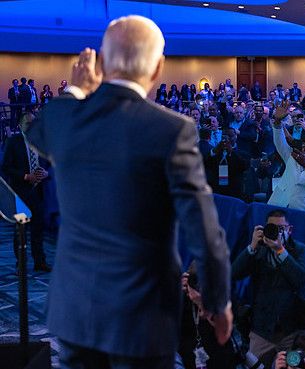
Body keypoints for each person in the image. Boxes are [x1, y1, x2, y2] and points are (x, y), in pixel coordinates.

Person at [24, 15, 232, 369]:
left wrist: (77, 90)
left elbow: (39, 130)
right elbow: (204, 230)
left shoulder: (66, 118)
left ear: (101, 64)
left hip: (77, 312)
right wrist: (217, 301)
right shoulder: (172, 129)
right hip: (143, 315)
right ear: (158, 68)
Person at [232, 210, 305, 364]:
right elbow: (234, 273)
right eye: (272, 227)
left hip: (290, 330)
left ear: (290, 230)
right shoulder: (259, 249)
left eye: (281, 228)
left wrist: (280, 250)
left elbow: (301, 280)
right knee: (252, 365)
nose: (277, 232)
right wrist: (252, 247)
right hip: (261, 328)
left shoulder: (300, 249)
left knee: (291, 366)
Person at [1, 113, 51, 273]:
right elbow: (5, 167)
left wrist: (46, 173)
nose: (31, 126)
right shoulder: (13, 142)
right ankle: (20, 263)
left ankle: (40, 262)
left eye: (33, 122)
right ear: (20, 125)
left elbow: (48, 163)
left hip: (38, 192)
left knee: (38, 229)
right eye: (27, 123)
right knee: (20, 231)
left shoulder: (41, 142)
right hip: (20, 194)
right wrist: (25, 176)